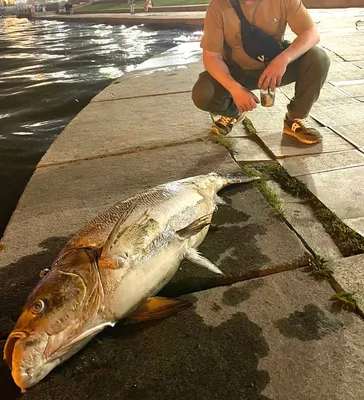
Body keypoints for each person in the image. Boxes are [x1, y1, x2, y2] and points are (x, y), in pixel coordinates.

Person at [192, 0, 331, 144]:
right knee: (203, 93)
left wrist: (283, 60)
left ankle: (295, 118)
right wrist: (234, 88)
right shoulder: (219, 5)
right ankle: (233, 111)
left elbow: (311, 33)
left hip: (274, 66)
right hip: (236, 71)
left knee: (318, 58)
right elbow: (211, 57)